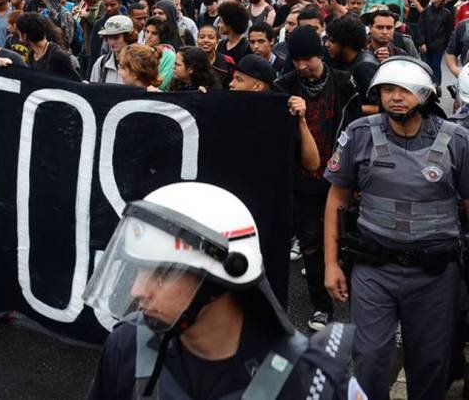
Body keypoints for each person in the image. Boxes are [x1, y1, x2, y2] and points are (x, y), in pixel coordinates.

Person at [85, 182, 357, 399]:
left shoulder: (309, 382)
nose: (137, 290)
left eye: (162, 273)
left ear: (223, 278)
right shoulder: (127, 346)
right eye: (137, 270)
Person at [324, 56, 469, 400]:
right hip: (374, 270)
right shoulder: (359, 134)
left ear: (424, 94)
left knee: (430, 364)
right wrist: (331, 265)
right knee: (370, 359)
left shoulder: (457, 141)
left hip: (435, 274)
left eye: (404, 90)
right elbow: (336, 199)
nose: (395, 97)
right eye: (387, 89)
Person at [273, 25, 361, 332]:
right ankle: (321, 306)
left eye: (306, 58)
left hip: (341, 178)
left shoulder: (344, 82)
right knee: (310, 244)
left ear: (320, 53)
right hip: (303, 181)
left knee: (347, 239)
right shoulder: (283, 87)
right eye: (295, 60)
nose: (301, 66)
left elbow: (357, 127)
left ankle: (356, 298)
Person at [324, 14, 378, 113]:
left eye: (331, 41)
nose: (327, 44)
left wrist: (346, 108)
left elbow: (379, 108)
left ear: (345, 42)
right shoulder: (341, 61)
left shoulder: (365, 67)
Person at [15, 12, 81, 80]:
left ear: (25, 36)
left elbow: (76, 82)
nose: (19, 39)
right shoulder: (31, 56)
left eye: (19, 34)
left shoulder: (57, 55)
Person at [419, 0, 453, 86]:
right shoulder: (426, 11)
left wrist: (447, 45)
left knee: (436, 65)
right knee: (427, 66)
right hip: (427, 43)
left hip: (439, 44)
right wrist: (422, 42)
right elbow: (421, 27)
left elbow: (449, 30)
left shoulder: (446, 13)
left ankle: (437, 85)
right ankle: (427, 85)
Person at [89, 16, 135, 85]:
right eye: (109, 38)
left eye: (116, 37)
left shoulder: (138, 64)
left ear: (128, 37)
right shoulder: (101, 63)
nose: (112, 42)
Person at [196, 24, 234, 88]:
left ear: (217, 41)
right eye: (201, 37)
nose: (206, 40)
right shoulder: (189, 60)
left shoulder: (227, 61)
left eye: (211, 37)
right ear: (197, 40)